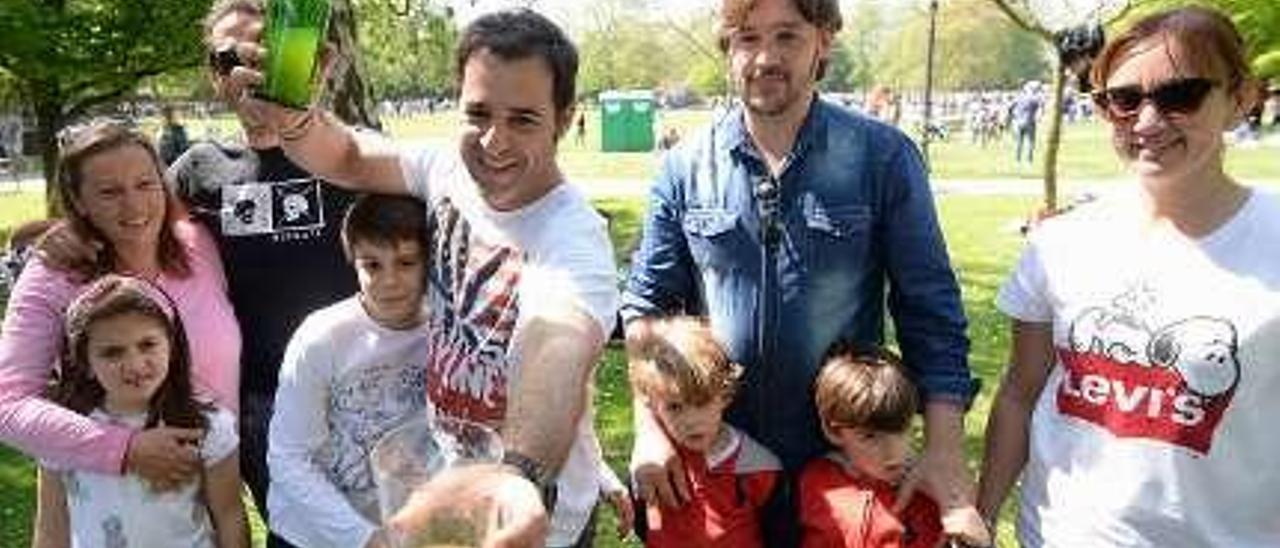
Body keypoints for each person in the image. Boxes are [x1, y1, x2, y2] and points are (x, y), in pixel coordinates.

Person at [223, 8, 618, 545]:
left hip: (532, 513)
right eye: (478, 114)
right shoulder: (446, 171)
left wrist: (517, 475)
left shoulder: (572, 236)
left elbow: (560, 345)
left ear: (565, 119)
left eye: (523, 119)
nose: (493, 141)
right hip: (447, 479)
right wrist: (295, 120)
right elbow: (350, 155)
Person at [621, 0, 985, 544]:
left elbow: (930, 313)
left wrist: (945, 452)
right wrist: (649, 428)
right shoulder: (684, 168)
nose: (765, 57)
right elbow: (648, 308)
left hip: (841, 473)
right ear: (727, 47)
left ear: (824, 41)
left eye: (787, 36)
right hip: (718, 468)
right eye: (747, 38)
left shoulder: (882, 157)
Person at [977, 7, 1279, 547]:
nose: (1146, 120)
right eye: (1123, 99)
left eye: (1180, 95)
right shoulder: (1060, 243)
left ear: (1240, 99)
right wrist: (981, 514)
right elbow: (1020, 393)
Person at [0, 119, 240, 492]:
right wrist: (126, 449)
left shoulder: (199, 246)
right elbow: (8, 405)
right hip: (116, 494)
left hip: (215, 488)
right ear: (79, 201)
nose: (134, 205)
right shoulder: (54, 273)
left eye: (145, 184)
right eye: (109, 192)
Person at [32, 275, 247, 548]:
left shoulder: (208, 424)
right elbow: (51, 526)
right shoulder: (61, 428)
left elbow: (229, 515)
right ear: (84, 361)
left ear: (171, 345)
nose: (134, 364)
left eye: (147, 344)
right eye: (112, 353)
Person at [266, 194, 430, 548]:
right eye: (372, 265)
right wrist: (362, 537)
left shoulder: (446, 335)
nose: (388, 280)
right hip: (311, 534)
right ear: (352, 261)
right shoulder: (321, 338)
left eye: (406, 263)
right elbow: (288, 457)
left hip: (402, 528)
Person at [628, 316, 783, 547]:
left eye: (701, 402)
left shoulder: (758, 467)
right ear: (652, 403)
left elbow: (777, 532)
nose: (691, 421)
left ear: (725, 395)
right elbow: (640, 517)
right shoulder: (653, 465)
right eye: (674, 407)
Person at [801, 342, 975, 548]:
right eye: (870, 437)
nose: (893, 453)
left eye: (901, 430)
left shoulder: (927, 493)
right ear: (833, 431)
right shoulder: (815, 482)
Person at [1011, 81, 1042, 165]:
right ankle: (1029, 161)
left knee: (1018, 142)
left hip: (1018, 122)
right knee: (1030, 142)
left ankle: (1017, 160)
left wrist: (1013, 117)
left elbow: (1011, 107)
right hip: (1029, 122)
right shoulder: (1034, 99)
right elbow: (1039, 109)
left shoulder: (1019, 97)